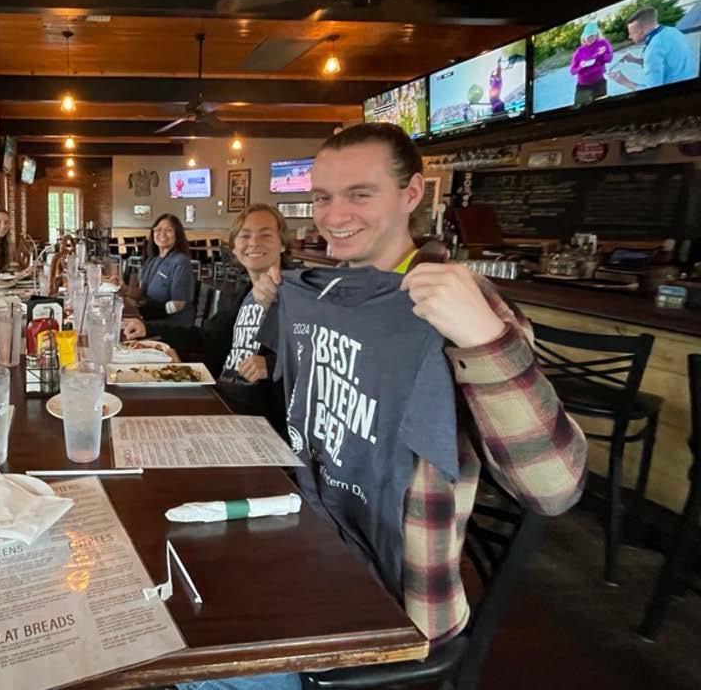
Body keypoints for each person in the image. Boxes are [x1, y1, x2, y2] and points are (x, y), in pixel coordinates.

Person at [181, 123, 587, 690]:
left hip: (388, 611)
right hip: (303, 548)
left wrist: (484, 341)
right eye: (322, 197)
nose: (334, 213)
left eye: (360, 193)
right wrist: (280, 315)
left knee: (188, 661)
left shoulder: (456, 305)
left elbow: (555, 487)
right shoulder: (322, 290)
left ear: (412, 194)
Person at [122, 204, 289, 437]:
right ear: (235, 245)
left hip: (254, 419)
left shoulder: (296, 297)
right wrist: (147, 328)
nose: (253, 242)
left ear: (282, 244)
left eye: (266, 234)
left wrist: (272, 364)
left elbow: (316, 361)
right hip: (217, 394)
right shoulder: (241, 294)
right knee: (130, 401)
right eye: (245, 235)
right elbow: (205, 337)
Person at [126, 213, 195, 326]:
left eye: (169, 230)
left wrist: (143, 314)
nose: (162, 234)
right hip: (151, 319)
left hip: (172, 326)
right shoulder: (152, 260)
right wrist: (122, 288)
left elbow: (179, 304)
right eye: (158, 229)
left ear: (178, 234)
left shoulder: (180, 262)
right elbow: (141, 294)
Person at [611, 6, 695, 92]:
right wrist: (635, 60)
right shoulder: (672, 31)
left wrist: (624, 81)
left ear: (644, 30)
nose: (629, 36)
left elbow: (652, 91)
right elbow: (667, 61)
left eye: (632, 33)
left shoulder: (652, 49)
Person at [570, 21, 613, 106]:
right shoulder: (579, 51)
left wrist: (603, 54)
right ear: (584, 37)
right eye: (588, 36)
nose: (591, 38)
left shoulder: (603, 43)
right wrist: (580, 67)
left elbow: (609, 59)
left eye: (593, 36)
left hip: (599, 82)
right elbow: (572, 71)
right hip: (583, 85)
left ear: (597, 35)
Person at [0, 207, 29, 275]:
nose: (3, 226)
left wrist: (21, 273)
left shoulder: (5, 243)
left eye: (6, 222)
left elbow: (2, 271)